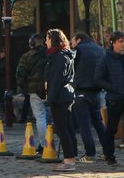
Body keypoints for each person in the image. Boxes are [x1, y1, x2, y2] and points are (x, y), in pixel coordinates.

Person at [70, 32, 107, 164]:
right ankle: (107, 151)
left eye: (72, 41)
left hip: (81, 90)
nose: (71, 44)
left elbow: (70, 69)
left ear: (79, 40)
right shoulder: (100, 49)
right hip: (96, 91)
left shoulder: (78, 50)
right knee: (98, 122)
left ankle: (90, 153)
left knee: (84, 123)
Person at [44, 29, 78, 172]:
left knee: (62, 129)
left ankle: (69, 160)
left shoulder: (58, 56)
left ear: (53, 40)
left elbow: (57, 80)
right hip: (66, 94)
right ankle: (71, 157)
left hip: (60, 97)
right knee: (67, 128)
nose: (46, 42)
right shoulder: (64, 55)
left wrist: (50, 100)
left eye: (47, 38)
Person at [16, 33, 50, 154]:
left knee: (40, 117)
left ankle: (44, 144)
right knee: (52, 117)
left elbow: (20, 75)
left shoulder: (27, 56)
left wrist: (25, 88)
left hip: (35, 90)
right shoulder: (51, 54)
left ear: (31, 43)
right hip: (51, 88)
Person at [94, 29, 124, 167]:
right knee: (111, 129)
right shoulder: (105, 58)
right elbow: (98, 79)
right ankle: (109, 155)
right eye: (121, 41)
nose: (123, 44)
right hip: (114, 98)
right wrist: (113, 87)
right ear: (113, 43)